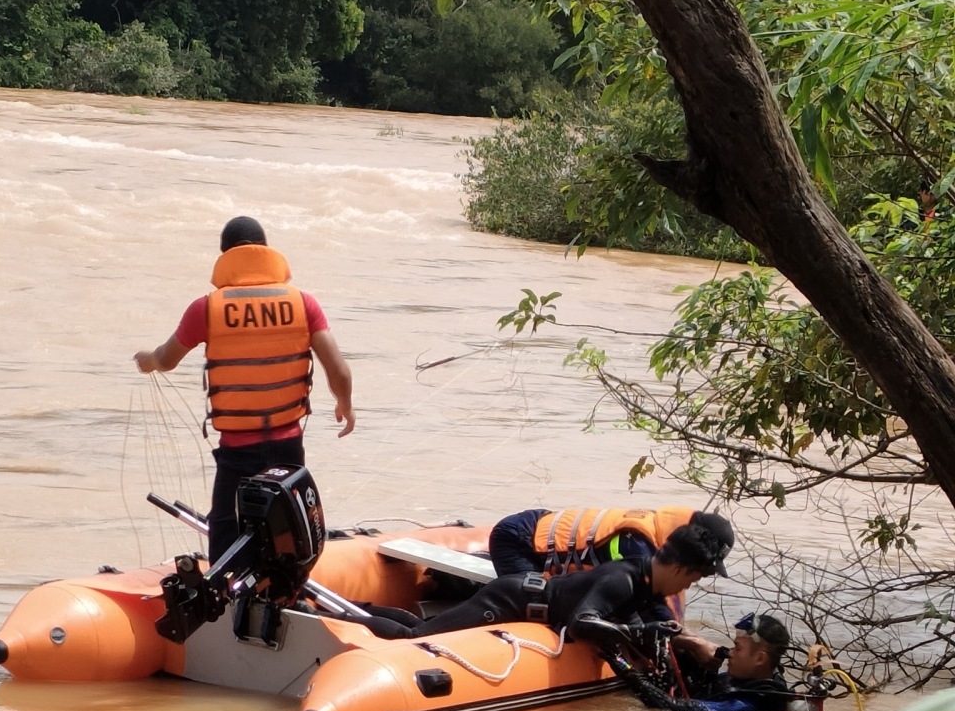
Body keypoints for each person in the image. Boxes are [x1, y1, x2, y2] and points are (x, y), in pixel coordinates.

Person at [135, 216, 355, 562]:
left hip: (237, 455)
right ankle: (287, 597)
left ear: (225, 257)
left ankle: (228, 600)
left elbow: (166, 358)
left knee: (225, 537)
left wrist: (146, 361)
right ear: (266, 252)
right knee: (290, 537)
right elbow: (339, 370)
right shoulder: (303, 304)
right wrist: (346, 404)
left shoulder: (206, 308)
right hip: (288, 449)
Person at [367, 515, 733, 641]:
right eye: (692, 580)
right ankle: (343, 613)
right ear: (682, 569)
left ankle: (362, 609)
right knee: (416, 635)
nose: (687, 588)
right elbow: (582, 623)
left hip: (526, 594)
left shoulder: (642, 581)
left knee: (427, 624)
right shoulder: (623, 579)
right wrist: (639, 633)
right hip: (509, 599)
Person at [487, 504, 733, 578]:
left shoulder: (657, 530)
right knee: (533, 602)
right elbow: (618, 588)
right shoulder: (639, 544)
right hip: (520, 541)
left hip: (535, 529)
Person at [673, 612, 793, 711]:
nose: (730, 653)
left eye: (737, 648)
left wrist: (654, 692)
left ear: (760, 658)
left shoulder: (751, 705)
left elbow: (692, 710)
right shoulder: (763, 675)